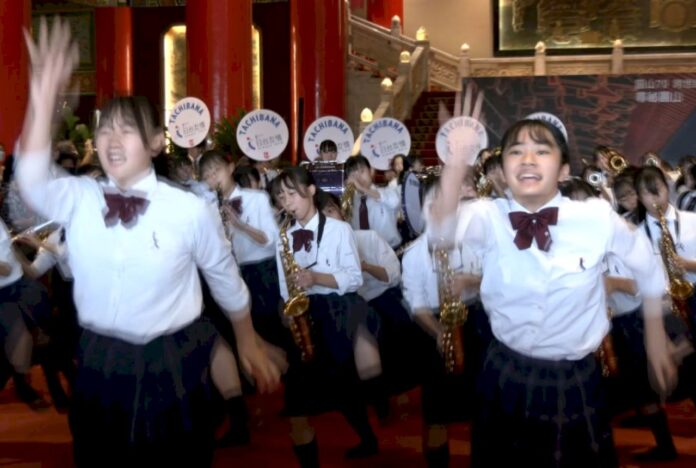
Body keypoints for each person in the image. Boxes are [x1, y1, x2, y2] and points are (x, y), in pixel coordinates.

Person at [15, 19, 280, 467]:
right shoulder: (80, 198)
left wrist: (247, 339)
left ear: (157, 142)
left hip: (172, 358)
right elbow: (32, 181)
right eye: (105, 130)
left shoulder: (188, 208)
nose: (112, 140)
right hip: (99, 357)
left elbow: (225, 279)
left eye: (128, 130)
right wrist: (42, 101)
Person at [429, 118, 675, 467]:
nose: (527, 159)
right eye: (516, 152)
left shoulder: (595, 217)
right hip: (504, 370)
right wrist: (455, 168)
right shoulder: (488, 215)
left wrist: (655, 338)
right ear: (504, 170)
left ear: (564, 170)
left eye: (541, 151)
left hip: (573, 379)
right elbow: (440, 229)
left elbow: (648, 266)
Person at [274, 167, 381, 466]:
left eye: (292, 193)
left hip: (337, 312)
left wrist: (316, 278)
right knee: (296, 404)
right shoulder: (283, 236)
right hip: (303, 315)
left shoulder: (339, 230)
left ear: (311, 191)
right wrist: (288, 309)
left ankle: (368, 438)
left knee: (344, 389)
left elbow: (354, 278)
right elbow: (284, 283)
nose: (287, 201)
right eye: (281, 196)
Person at [344, 155, 402, 249]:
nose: (358, 178)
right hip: (364, 253)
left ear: (371, 171)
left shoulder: (387, 191)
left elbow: (395, 201)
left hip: (391, 249)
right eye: (353, 175)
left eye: (362, 171)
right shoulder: (350, 202)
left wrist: (362, 188)